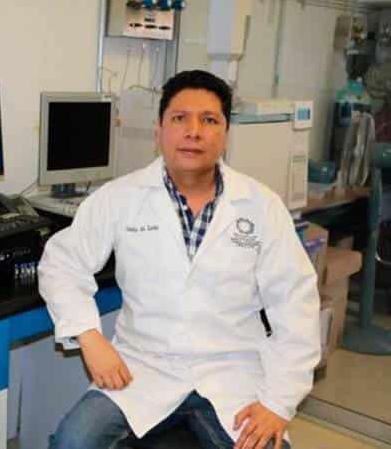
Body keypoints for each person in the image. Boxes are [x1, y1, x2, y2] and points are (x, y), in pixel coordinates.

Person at [38, 70, 320, 449]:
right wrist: (90, 337)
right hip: (143, 367)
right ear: (159, 131)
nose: (194, 131)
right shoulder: (120, 197)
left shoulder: (260, 205)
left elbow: (296, 304)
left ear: (225, 133)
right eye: (180, 118)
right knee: (73, 441)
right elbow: (61, 264)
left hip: (233, 372)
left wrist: (278, 404)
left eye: (209, 120)